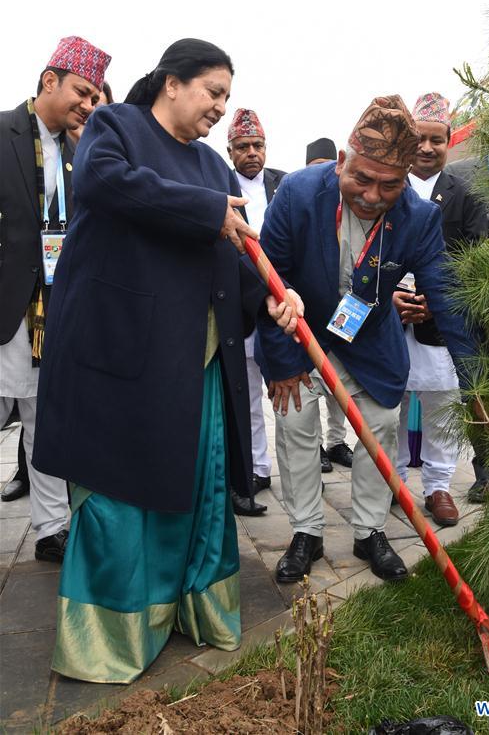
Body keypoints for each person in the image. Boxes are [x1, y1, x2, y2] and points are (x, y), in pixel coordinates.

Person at [32, 38, 301, 684]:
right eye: (214, 91)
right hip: (119, 352)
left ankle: (190, 610)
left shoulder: (213, 167)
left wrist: (271, 295)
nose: (219, 107)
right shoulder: (114, 126)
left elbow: (225, 258)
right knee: (122, 494)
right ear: (172, 83)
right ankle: (111, 637)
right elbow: (106, 184)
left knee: (195, 490)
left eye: (227, 97)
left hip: (195, 356)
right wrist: (210, 214)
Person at [256, 95, 477, 584]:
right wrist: (279, 364)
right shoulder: (296, 194)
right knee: (295, 433)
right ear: (341, 163)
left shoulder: (419, 218)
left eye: (390, 185)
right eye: (362, 179)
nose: (373, 195)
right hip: (302, 339)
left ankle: (370, 531)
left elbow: (446, 296)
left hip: (372, 345)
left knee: (379, 433)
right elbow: (267, 279)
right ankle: (306, 532)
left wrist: (477, 384)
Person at [0, 36, 110, 557]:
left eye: (93, 98)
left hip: (56, 310)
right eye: (82, 93)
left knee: (46, 421)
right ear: (50, 81)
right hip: (6, 307)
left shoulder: (79, 152)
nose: (89, 106)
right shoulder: (2, 133)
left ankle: (51, 529)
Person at [393, 93, 488, 526]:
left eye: (437, 140)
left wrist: (436, 302)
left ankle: (438, 487)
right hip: (390, 318)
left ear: (449, 142)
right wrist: (395, 296)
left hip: (441, 324)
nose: (427, 149)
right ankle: (389, 483)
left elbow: (477, 259)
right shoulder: (386, 185)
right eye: (421, 139)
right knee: (387, 406)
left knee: (442, 408)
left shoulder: (464, 194)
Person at [226, 108, 286, 516]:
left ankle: (302, 463)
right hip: (245, 304)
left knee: (289, 391)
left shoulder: (286, 184)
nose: (252, 152)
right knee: (246, 395)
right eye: (243, 146)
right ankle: (255, 469)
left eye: (258, 145)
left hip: (283, 305)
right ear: (229, 151)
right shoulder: (222, 186)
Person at [304, 138, 354, 473]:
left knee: (341, 383)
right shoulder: (301, 202)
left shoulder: (351, 202)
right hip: (309, 311)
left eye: (327, 165)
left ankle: (337, 442)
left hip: (348, 313)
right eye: (315, 167)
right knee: (311, 384)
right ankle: (316, 446)